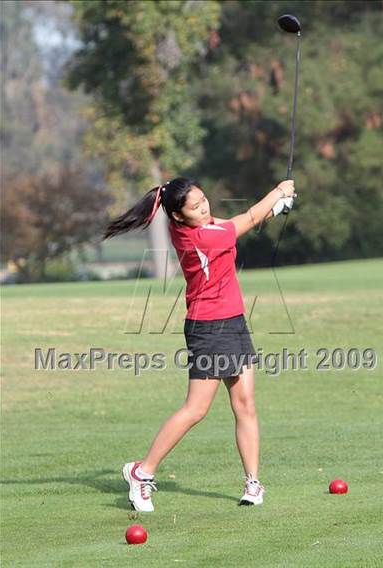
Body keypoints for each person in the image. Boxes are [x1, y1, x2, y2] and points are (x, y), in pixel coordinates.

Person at [102, 177, 295, 512]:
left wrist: (274, 208)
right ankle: (141, 472)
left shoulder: (195, 224)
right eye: (196, 206)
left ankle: (252, 482)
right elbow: (245, 219)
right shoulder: (203, 236)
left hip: (233, 321)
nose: (205, 207)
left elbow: (236, 220)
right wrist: (278, 192)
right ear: (179, 217)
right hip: (209, 328)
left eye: (204, 199)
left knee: (245, 403)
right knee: (196, 410)